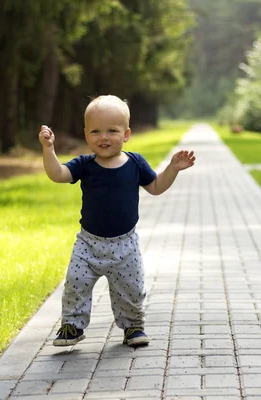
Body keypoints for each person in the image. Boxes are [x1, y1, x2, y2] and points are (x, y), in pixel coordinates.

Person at [38, 95, 195, 347]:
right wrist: (48, 149)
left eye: (112, 130)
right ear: (86, 134)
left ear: (126, 134)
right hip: (88, 243)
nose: (104, 137)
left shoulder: (135, 163)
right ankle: (72, 325)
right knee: (76, 283)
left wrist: (172, 169)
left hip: (125, 245)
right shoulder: (84, 165)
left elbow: (155, 186)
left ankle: (133, 326)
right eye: (96, 131)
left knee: (131, 289)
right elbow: (57, 174)